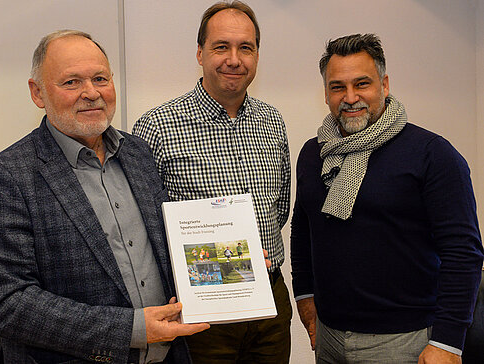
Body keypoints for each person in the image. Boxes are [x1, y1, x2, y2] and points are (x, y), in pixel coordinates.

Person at [0, 30, 208, 364]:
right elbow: (7, 304)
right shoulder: (5, 176)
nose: (91, 93)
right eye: (71, 82)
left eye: (100, 78)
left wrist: (223, 260)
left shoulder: (138, 151)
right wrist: (132, 329)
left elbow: (164, 246)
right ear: (38, 93)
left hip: (169, 357)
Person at [290, 33, 484, 364]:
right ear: (325, 94)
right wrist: (305, 297)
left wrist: (448, 343)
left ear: (385, 84)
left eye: (362, 84)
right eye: (338, 87)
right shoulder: (314, 153)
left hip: (406, 341)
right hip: (329, 338)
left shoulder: (433, 155)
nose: (350, 97)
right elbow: (303, 228)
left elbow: (463, 253)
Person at [133, 2, 292, 363]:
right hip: (201, 310)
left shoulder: (273, 121)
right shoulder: (156, 127)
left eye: (245, 48)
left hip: (269, 303)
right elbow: (146, 230)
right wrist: (227, 262)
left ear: (256, 55)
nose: (234, 59)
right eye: (221, 47)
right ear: (200, 52)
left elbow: (279, 209)